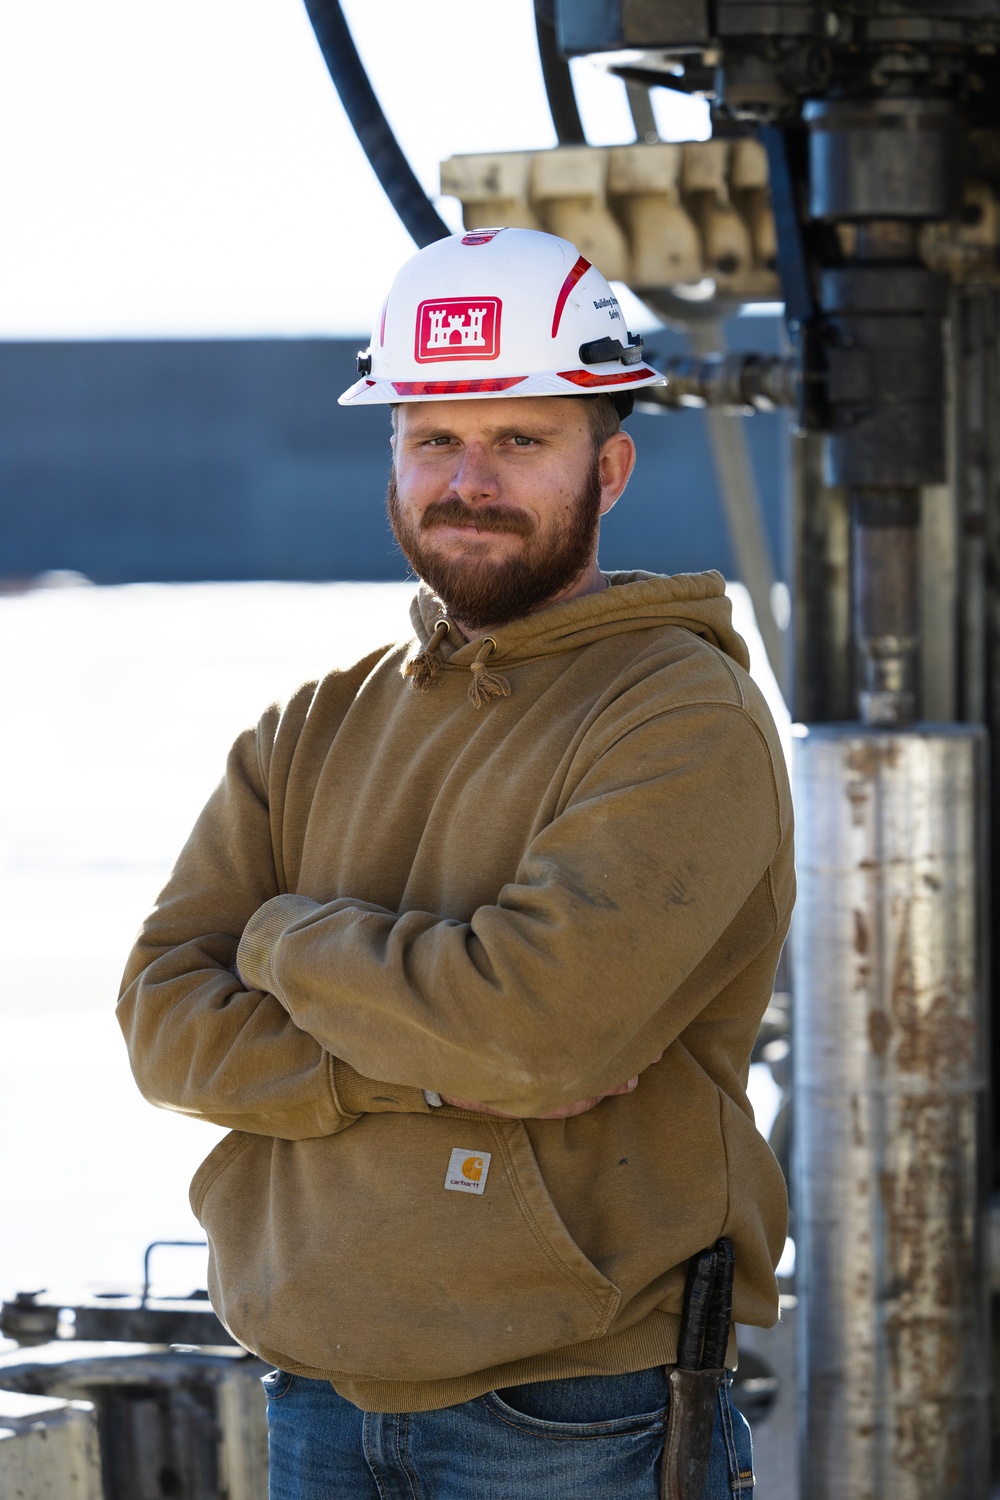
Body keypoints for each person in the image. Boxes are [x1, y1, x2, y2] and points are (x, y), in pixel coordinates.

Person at [118, 227, 792, 1500]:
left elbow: (532, 1040)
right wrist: (426, 1078)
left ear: (611, 467)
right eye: (434, 439)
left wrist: (278, 941)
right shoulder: (310, 725)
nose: (467, 480)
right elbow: (162, 1025)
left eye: (520, 442)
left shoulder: (676, 716)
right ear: (393, 457)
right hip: (315, 1398)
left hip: (573, 1423)